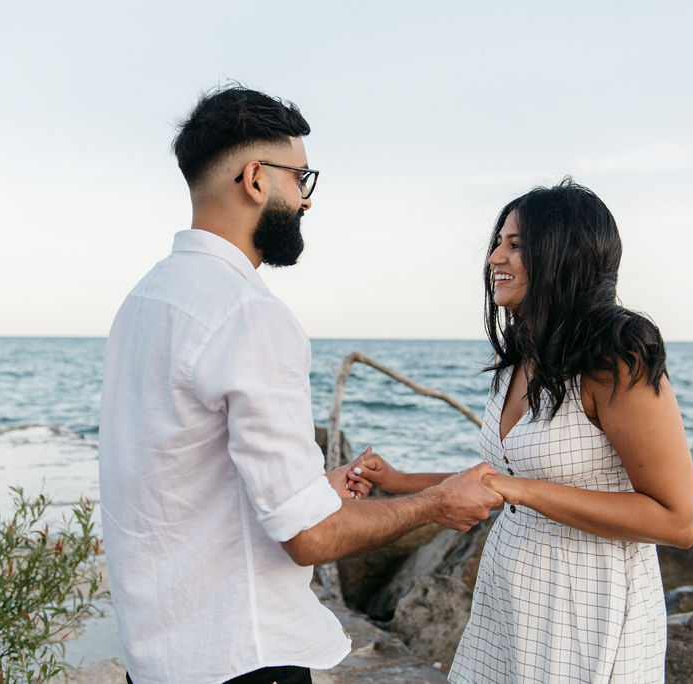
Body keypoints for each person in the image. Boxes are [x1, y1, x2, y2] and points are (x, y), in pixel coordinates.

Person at [98, 85, 503, 684]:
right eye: (302, 180)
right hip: (242, 656)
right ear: (256, 180)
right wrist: (435, 503)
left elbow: (180, 477)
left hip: (159, 657)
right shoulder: (247, 313)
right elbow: (309, 537)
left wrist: (314, 488)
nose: (307, 202)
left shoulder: (144, 301)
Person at [349, 179, 693, 683]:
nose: (495, 257)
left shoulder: (616, 357)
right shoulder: (520, 355)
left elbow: (679, 521)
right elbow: (507, 474)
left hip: (588, 603)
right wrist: (400, 480)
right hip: (512, 588)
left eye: (516, 245)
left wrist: (516, 490)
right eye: (498, 243)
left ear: (563, 253)